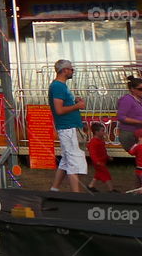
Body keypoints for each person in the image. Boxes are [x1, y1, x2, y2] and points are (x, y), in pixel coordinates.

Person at [47, 59, 87, 192]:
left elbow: (63, 103)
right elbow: (59, 110)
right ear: (64, 70)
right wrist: (77, 106)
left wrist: (73, 100)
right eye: (71, 69)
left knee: (66, 160)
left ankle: (55, 188)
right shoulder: (58, 86)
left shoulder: (61, 86)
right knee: (74, 161)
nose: (72, 71)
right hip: (68, 128)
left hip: (69, 127)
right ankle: (76, 194)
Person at [116, 76, 142, 151]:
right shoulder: (127, 100)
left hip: (140, 132)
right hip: (129, 133)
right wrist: (140, 122)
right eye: (140, 89)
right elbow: (121, 117)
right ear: (132, 89)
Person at [86, 122, 114, 192]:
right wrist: (97, 162)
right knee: (106, 175)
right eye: (102, 131)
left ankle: (91, 186)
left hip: (102, 161)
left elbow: (103, 151)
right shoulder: (93, 142)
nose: (104, 132)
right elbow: (92, 154)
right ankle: (111, 190)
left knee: (98, 174)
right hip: (98, 162)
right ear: (96, 132)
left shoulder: (100, 141)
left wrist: (107, 157)